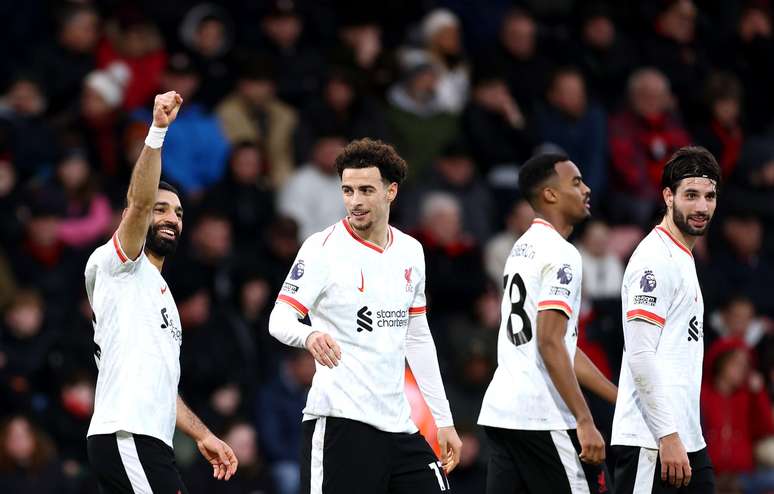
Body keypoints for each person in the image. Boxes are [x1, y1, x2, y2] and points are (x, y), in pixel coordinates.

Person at [268, 138, 462, 493]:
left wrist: (444, 420)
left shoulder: (410, 251)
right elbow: (279, 319)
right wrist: (308, 335)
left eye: (365, 190)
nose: (354, 201)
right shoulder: (321, 249)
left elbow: (417, 337)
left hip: (399, 426)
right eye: (347, 190)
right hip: (341, 424)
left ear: (391, 191)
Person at [84, 91, 237, 492]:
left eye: (179, 213)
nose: (172, 217)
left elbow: (162, 385)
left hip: (150, 439)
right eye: (161, 208)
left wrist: (202, 433)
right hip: (126, 434)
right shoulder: (117, 265)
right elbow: (137, 204)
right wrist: (157, 132)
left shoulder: (161, 292)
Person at [478, 153, 618, 494]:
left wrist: (620, 397)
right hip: (542, 415)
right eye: (576, 182)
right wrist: (585, 419)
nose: (586, 189)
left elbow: (563, 347)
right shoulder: (562, 253)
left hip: (503, 412)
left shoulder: (522, 247)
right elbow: (550, 342)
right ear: (550, 195)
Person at [611, 146, 720, 493]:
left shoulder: (682, 255)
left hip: (687, 439)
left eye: (709, 196)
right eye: (691, 195)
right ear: (668, 196)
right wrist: (667, 436)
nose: (702, 207)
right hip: (651, 442)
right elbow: (640, 355)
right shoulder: (653, 260)